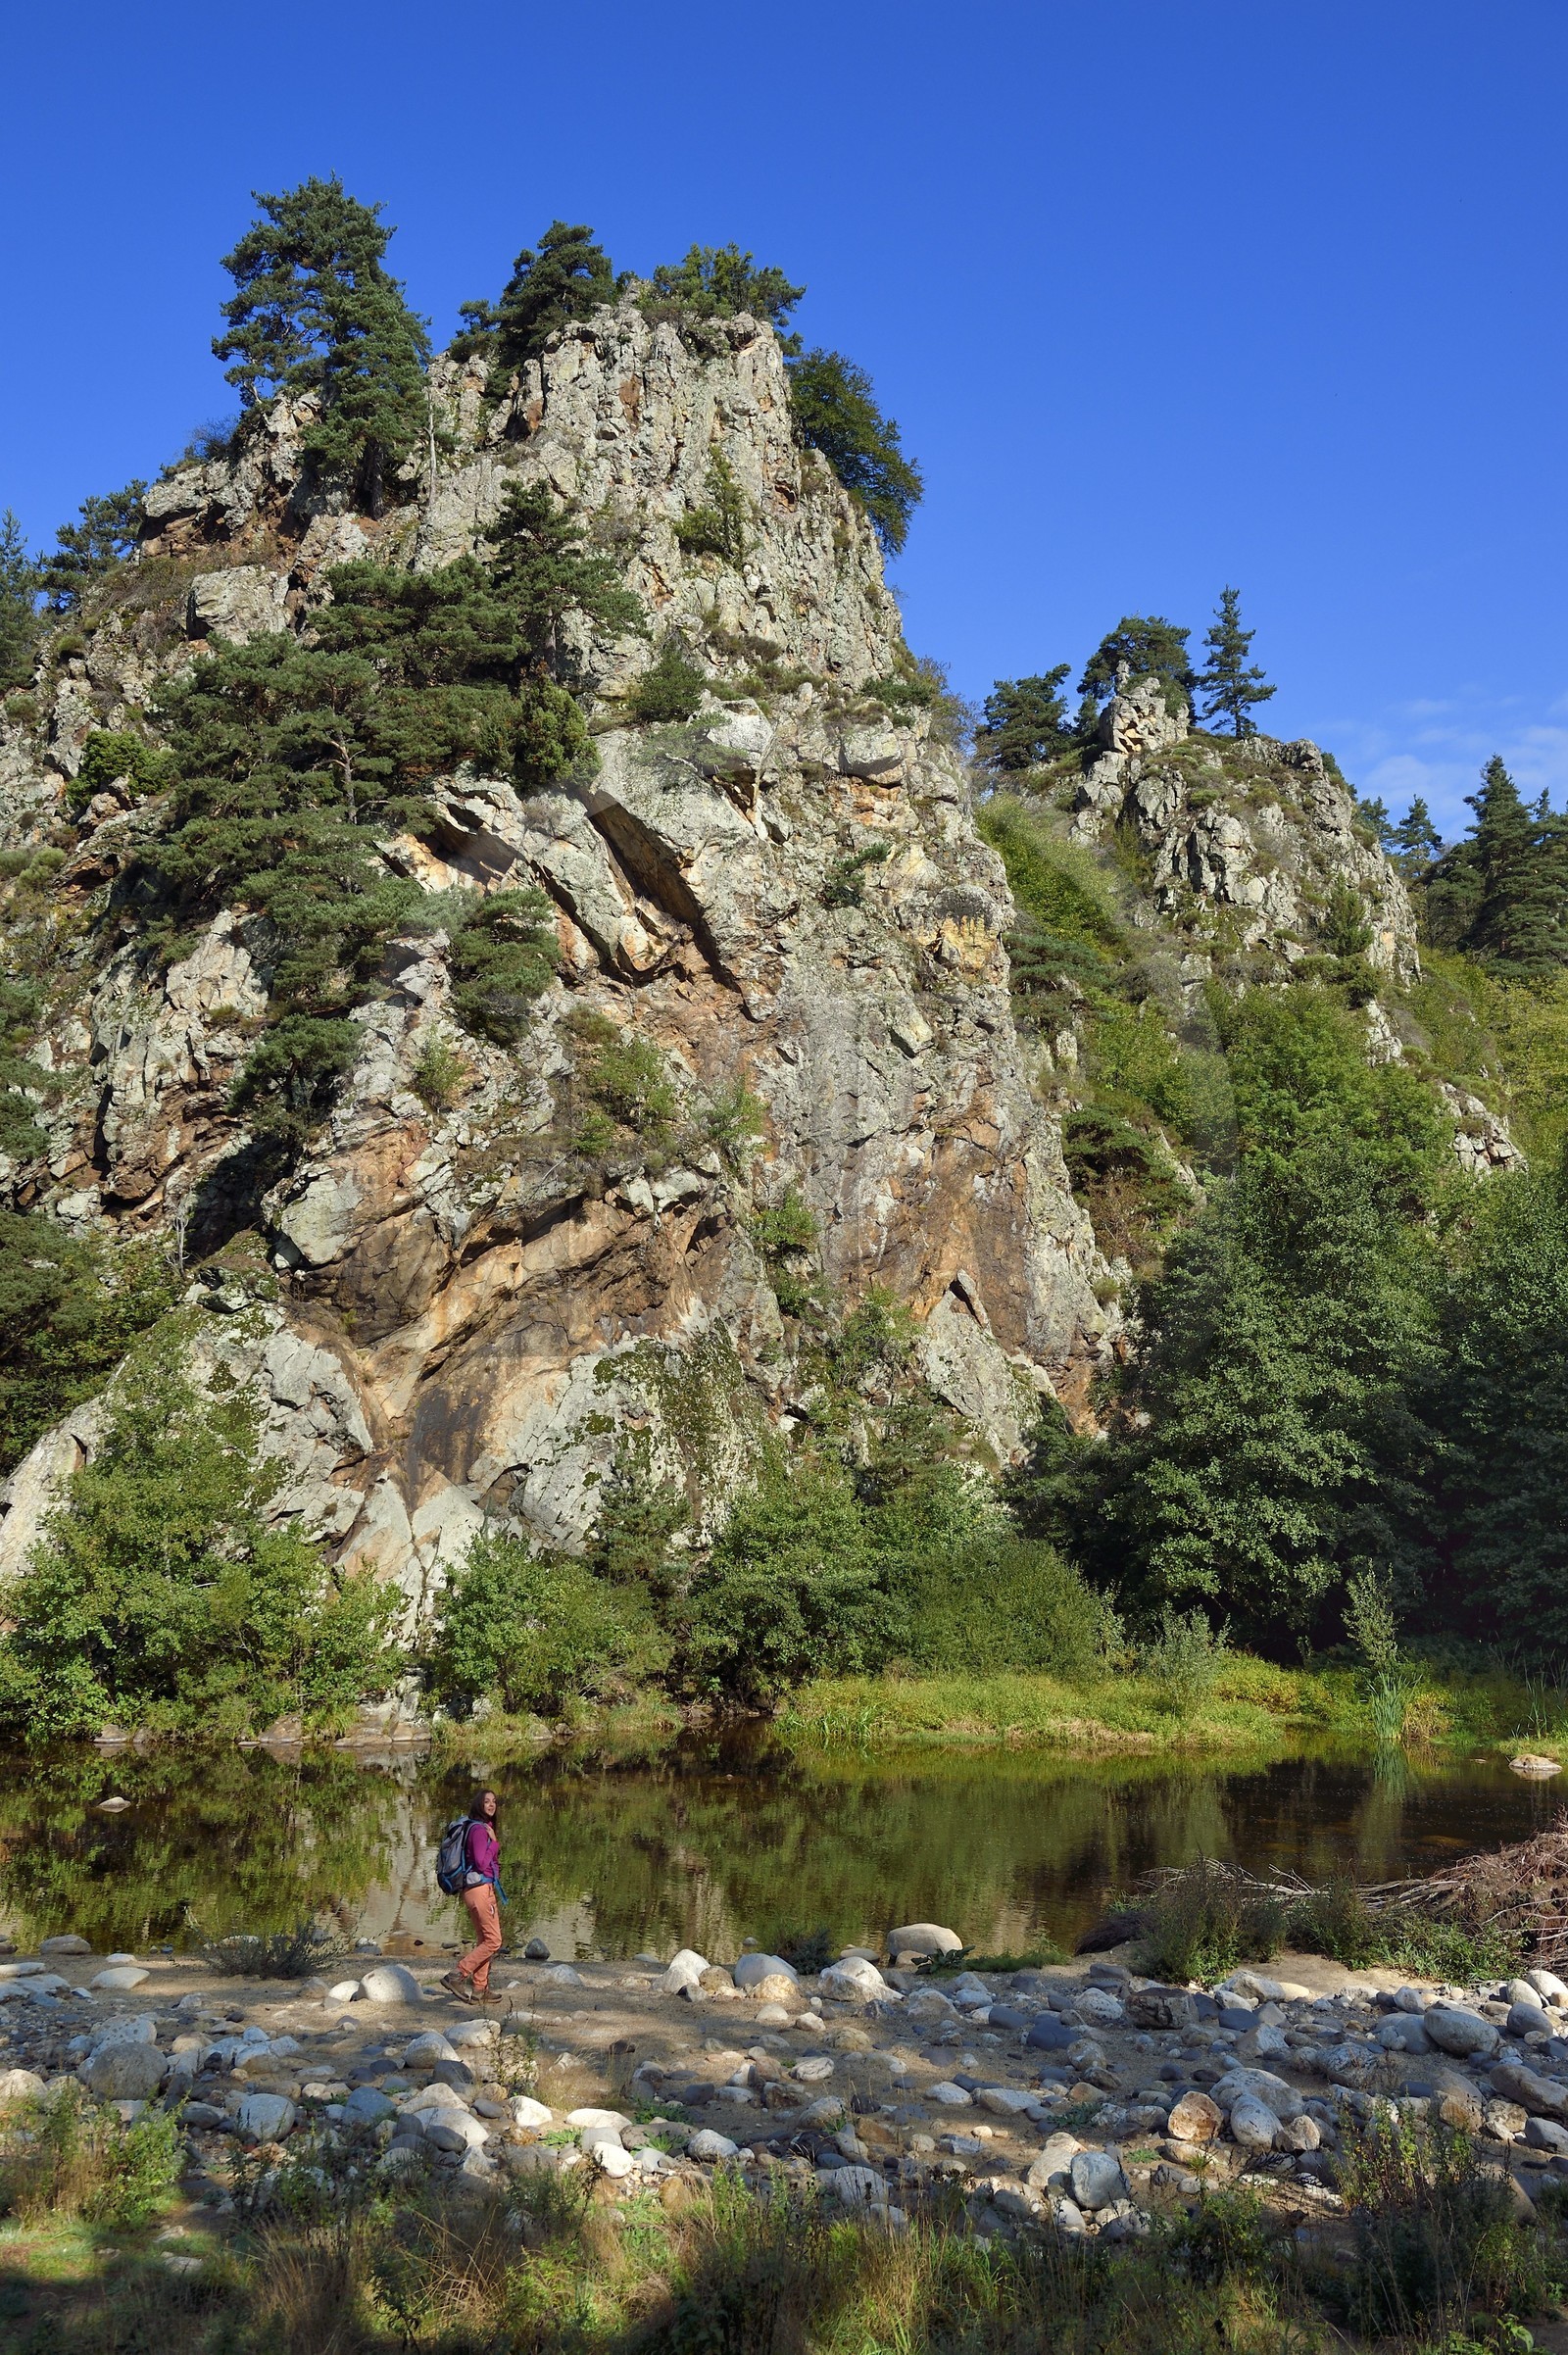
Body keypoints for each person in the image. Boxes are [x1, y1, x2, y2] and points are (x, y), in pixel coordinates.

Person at [442, 1789, 505, 2000]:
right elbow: (480, 1862)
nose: (491, 1805)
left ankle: (480, 1989)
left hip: (472, 1890)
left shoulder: (473, 1827)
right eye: (486, 1801)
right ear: (479, 1804)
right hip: (480, 1890)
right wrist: (494, 1844)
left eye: (494, 1801)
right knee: (494, 1941)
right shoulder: (479, 1831)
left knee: (484, 1939)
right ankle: (457, 1974)